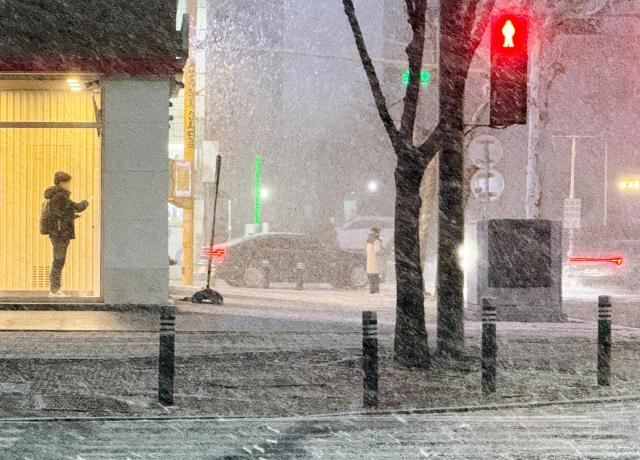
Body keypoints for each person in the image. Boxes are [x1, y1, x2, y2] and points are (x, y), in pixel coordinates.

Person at [42, 171, 89, 297]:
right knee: (59, 261)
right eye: (68, 182)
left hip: (57, 233)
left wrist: (71, 216)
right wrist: (87, 201)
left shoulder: (55, 196)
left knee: (58, 260)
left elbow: (59, 213)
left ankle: (55, 290)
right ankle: (55, 290)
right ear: (61, 183)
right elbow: (77, 206)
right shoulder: (60, 196)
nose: (70, 185)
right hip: (60, 234)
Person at [366, 226, 383, 294]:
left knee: (371, 277)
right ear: (377, 232)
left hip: (370, 261)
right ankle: (375, 290)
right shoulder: (376, 240)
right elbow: (378, 251)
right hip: (375, 261)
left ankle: (372, 290)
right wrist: (383, 252)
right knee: (375, 277)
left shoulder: (369, 239)